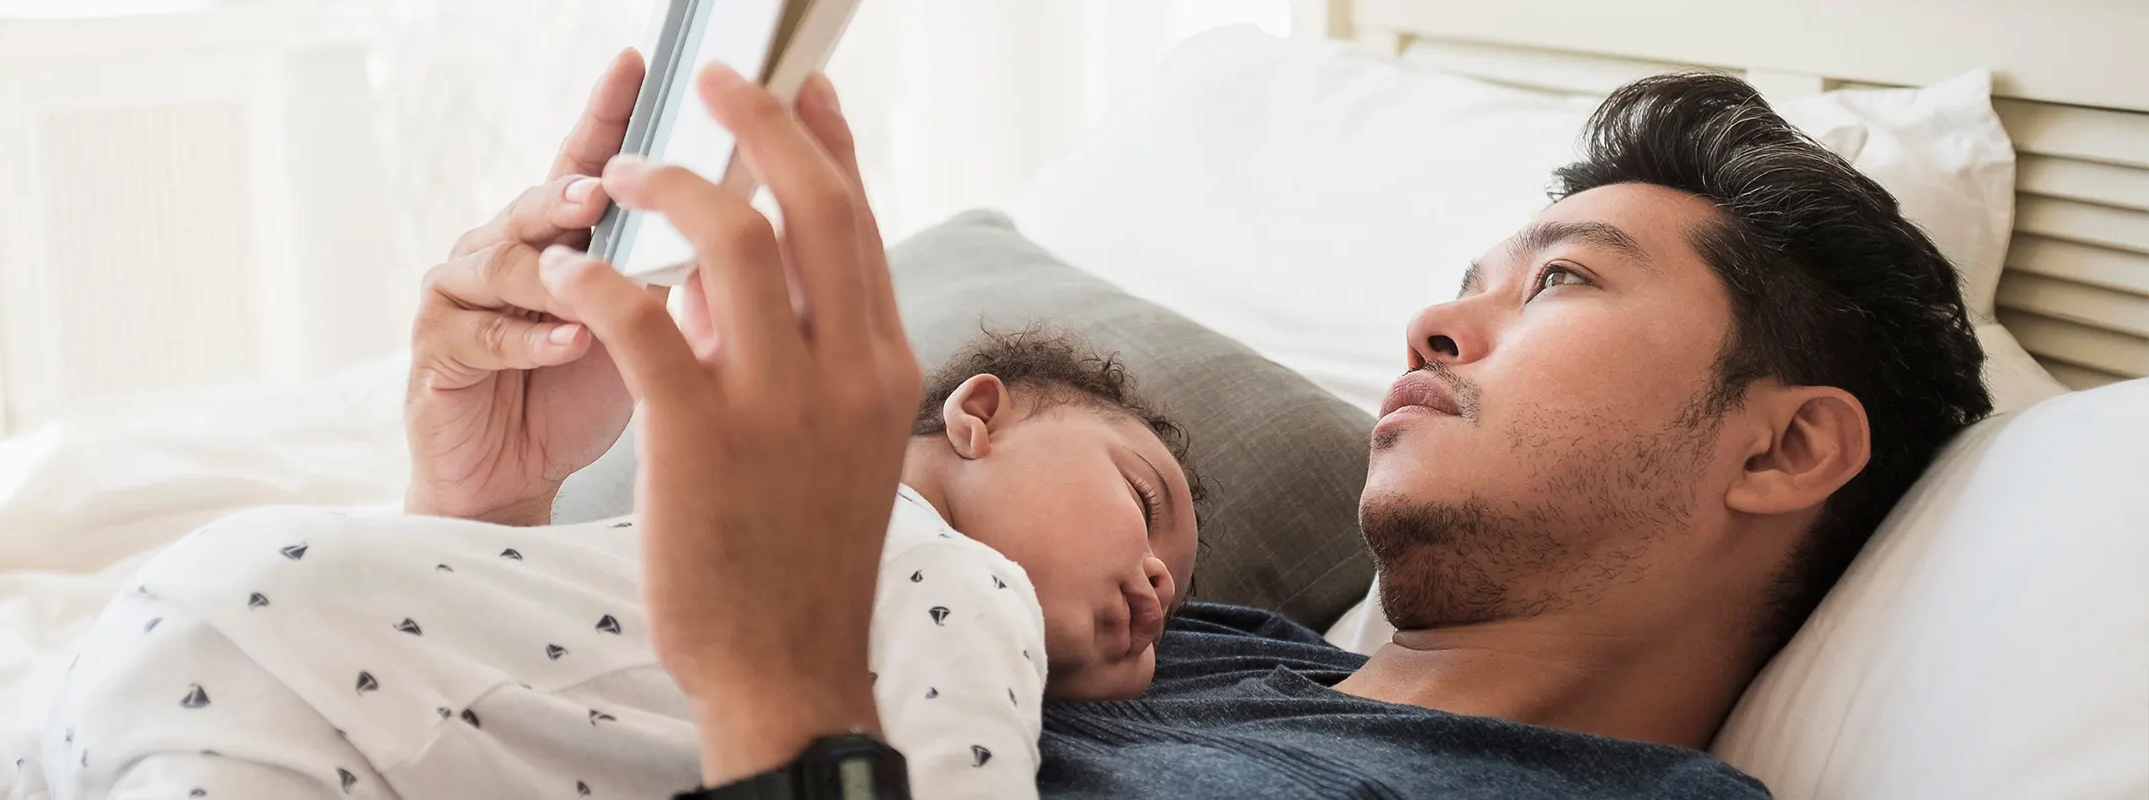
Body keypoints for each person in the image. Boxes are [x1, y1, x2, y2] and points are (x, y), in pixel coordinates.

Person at [378, 53, 1986, 798]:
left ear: (1783, 449)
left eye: (1560, 285)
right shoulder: (1184, 639)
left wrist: (782, 676)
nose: (1434, 325)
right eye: (1464, 282)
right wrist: (485, 510)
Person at [0, 327, 1202, 798]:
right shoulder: (948, 570)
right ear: (980, 413)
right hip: (305, 711)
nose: (1161, 585)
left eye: (1179, 595)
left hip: (224, 611)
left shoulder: (709, 523)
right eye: (1149, 506)